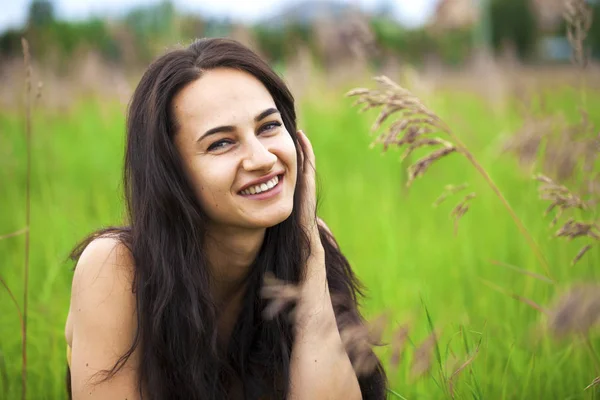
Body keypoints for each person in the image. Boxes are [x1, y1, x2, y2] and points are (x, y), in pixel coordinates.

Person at [64, 37, 387, 400]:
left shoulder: (310, 244)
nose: (263, 158)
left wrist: (309, 250)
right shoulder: (115, 268)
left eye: (268, 127)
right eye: (221, 143)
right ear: (171, 174)